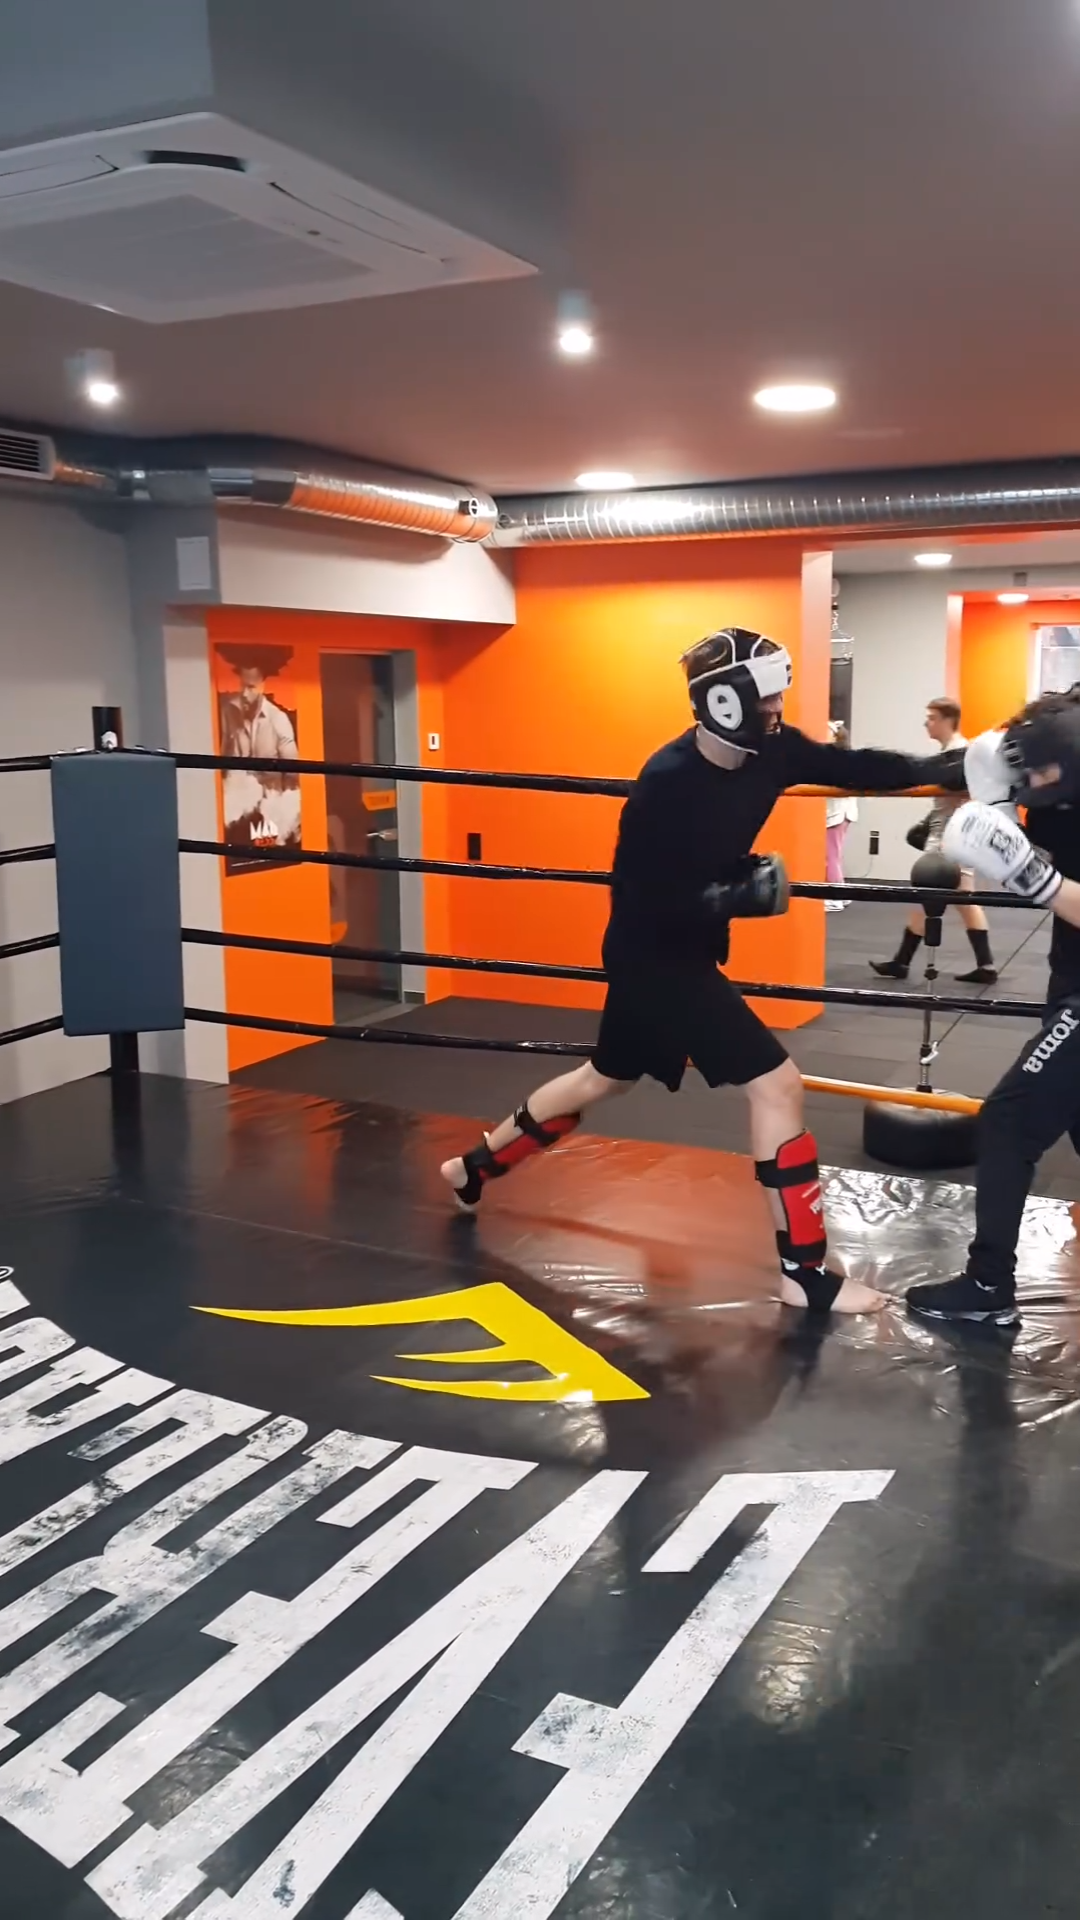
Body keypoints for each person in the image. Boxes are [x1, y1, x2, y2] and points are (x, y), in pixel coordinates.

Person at [440, 627, 957, 1316]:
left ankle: (471, 1167)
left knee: (605, 1077)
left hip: (678, 950)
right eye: (765, 694)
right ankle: (804, 1274)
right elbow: (637, 892)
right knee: (777, 1085)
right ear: (725, 698)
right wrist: (724, 897)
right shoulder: (667, 781)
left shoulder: (774, 750)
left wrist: (942, 767)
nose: (776, 705)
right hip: (654, 952)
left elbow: (854, 765)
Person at [907, 692, 1080, 1325]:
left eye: (1042, 769)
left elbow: (1048, 878)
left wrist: (1033, 876)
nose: (1035, 780)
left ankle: (988, 1286)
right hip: (1070, 977)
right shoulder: (1058, 783)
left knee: (1009, 1120)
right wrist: (999, 803)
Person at [871, 695, 998, 984]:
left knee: (944, 897)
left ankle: (904, 962)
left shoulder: (959, 753)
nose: (926, 723)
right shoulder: (951, 753)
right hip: (948, 836)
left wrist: (950, 841)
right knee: (954, 899)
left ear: (947, 720)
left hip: (950, 840)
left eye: (932, 718)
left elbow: (967, 796)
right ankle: (981, 965)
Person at [824, 721, 858, 911]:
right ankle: (841, 894)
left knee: (830, 856)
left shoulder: (837, 759)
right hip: (837, 812)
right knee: (833, 855)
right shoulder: (839, 758)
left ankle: (835, 897)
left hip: (837, 813)